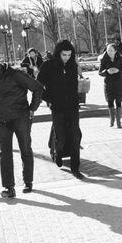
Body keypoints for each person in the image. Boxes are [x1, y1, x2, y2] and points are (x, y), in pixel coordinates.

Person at [0, 56, 44, 198]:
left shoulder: (15, 74)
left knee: (25, 148)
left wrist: (33, 108)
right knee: (4, 152)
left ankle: (28, 182)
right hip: (1, 118)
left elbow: (37, 88)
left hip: (20, 117)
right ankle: (9, 187)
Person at [37, 40, 83, 179]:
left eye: (69, 55)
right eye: (64, 55)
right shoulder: (48, 66)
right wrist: (49, 98)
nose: (67, 57)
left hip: (73, 106)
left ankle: (75, 168)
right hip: (57, 107)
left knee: (75, 137)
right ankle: (58, 152)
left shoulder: (72, 65)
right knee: (61, 137)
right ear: (58, 53)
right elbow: (38, 86)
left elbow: (75, 84)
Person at [98, 43, 122, 128]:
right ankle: (112, 120)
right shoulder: (104, 59)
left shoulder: (120, 58)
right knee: (110, 102)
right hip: (109, 84)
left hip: (118, 83)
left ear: (115, 51)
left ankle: (118, 121)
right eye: (108, 50)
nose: (109, 52)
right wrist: (107, 71)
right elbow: (100, 72)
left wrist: (118, 71)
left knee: (119, 102)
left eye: (111, 50)